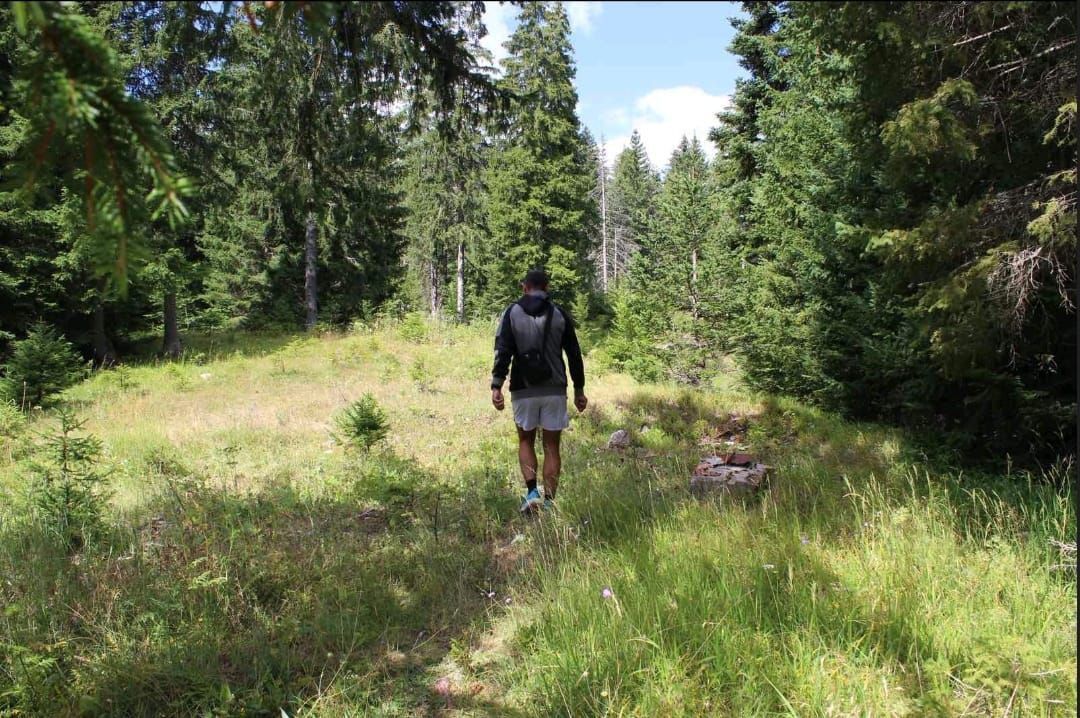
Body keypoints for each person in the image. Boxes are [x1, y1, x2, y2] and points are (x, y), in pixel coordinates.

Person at [491, 269, 587, 514]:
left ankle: (532, 493)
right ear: (547, 287)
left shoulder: (512, 313)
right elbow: (574, 354)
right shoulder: (559, 314)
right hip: (555, 389)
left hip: (523, 389)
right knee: (552, 447)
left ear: (525, 287)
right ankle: (550, 503)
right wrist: (579, 389)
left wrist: (497, 384)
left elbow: (503, 350)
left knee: (526, 440)